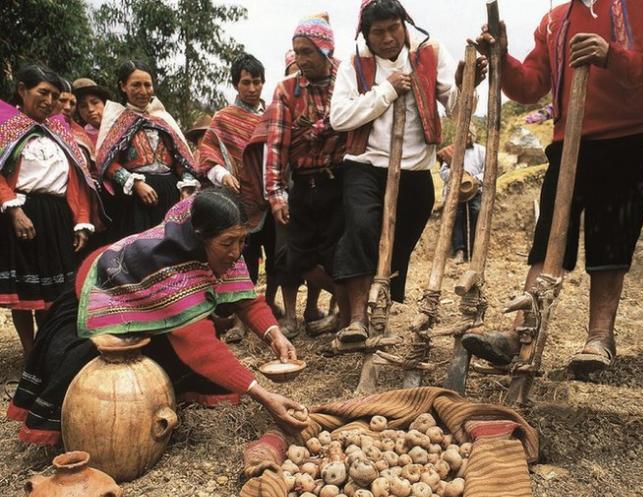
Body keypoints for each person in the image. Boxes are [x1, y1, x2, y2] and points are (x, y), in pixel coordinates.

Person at [6, 188, 310, 446]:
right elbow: (199, 345)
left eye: (242, 241)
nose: (236, 251)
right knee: (97, 374)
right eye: (228, 243)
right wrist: (262, 394)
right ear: (199, 237)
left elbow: (245, 299)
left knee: (177, 341)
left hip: (145, 301)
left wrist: (274, 333)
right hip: (101, 296)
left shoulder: (221, 243)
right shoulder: (168, 264)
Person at [463, 0, 643, 378]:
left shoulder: (634, 6)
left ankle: (599, 338)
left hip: (625, 141)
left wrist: (610, 55)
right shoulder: (555, 21)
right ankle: (520, 334)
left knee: (610, 243)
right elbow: (529, 85)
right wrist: (502, 59)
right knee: (549, 238)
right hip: (567, 142)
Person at [330, 0, 485, 343]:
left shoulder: (430, 53)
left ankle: (379, 305)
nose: (387, 39)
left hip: (414, 171)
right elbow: (339, 117)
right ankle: (356, 320)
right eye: (378, 33)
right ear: (366, 36)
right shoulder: (355, 65)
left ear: (405, 23)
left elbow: (458, 107)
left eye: (393, 29)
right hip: (366, 166)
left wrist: (466, 83)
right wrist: (386, 91)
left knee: (397, 247)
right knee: (362, 231)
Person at [0, 65, 98, 363]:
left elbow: (78, 179)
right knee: (26, 294)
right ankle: (31, 353)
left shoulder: (59, 132)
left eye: (54, 95)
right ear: (22, 90)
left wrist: (82, 220)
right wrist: (14, 211)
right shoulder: (7, 130)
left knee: (54, 293)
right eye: (42, 92)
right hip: (22, 213)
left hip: (57, 216)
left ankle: (49, 348)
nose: (49, 100)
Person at [262, 14, 347, 338]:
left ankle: (348, 319)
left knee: (338, 255)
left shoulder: (348, 80)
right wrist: (276, 194)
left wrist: (318, 129)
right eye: (296, 51)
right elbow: (276, 146)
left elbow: (355, 117)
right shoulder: (286, 90)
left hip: (339, 181)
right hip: (303, 185)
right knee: (296, 257)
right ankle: (350, 307)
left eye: (307, 52)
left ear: (325, 50)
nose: (300, 59)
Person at [198, 53, 276, 342]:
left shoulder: (272, 116)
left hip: (272, 197)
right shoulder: (224, 118)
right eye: (246, 82)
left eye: (257, 82)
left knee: (278, 258)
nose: (252, 88)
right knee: (246, 259)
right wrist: (221, 174)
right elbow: (207, 154)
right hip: (241, 200)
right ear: (236, 84)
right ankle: (241, 320)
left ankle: (270, 308)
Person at [95, 60, 201, 242]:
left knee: (170, 246)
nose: (143, 91)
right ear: (123, 86)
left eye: (147, 85)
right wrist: (135, 184)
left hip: (170, 193)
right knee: (140, 247)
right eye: (136, 85)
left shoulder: (163, 118)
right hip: (136, 198)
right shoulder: (116, 119)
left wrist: (187, 184)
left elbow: (181, 158)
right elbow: (106, 161)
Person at [438, 129, 485, 263]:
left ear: (474, 135)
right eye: (465, 133)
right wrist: (456, 175)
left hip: (475, 190)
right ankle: (459, 250)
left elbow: (487, 170)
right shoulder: (452, 151)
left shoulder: (481, 151)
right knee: (455, 217)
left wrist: (474, 179)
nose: (468, 136)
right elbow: (443, 173)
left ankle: (475, 251)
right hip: (455, 191)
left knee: (476, 212)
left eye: (470, 133)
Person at [73, 77, 110, 144]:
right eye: (83, 106)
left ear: (105, 103)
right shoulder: (79, 140)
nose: (90, 109)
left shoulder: (124, 127)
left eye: (95, 102)